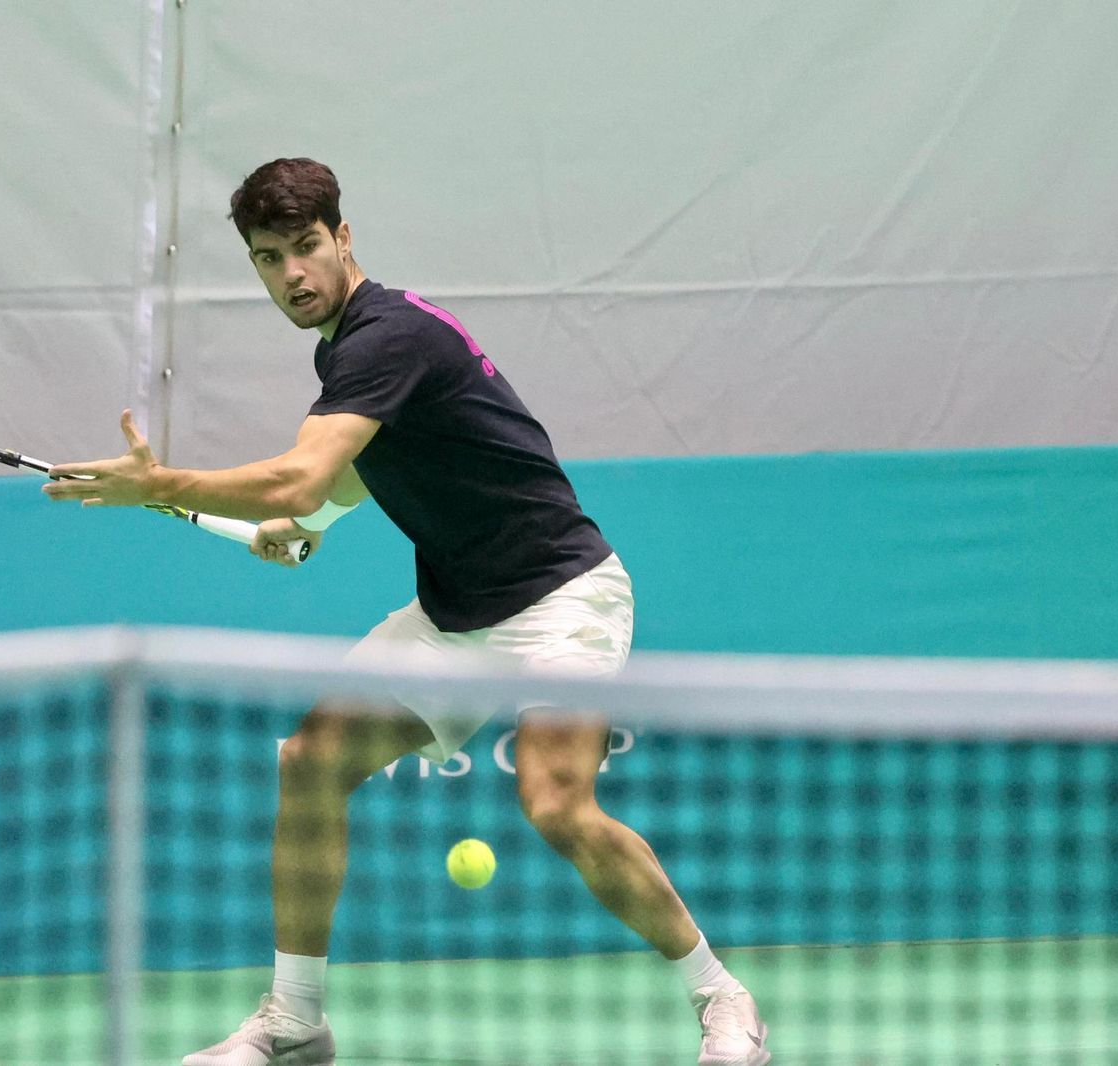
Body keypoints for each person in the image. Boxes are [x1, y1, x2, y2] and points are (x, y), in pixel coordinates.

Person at [43, 158, 770, 1066]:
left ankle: (723, 999)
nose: (291, 275)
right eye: (268, 259)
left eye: (305, 248)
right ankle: (295, 1020)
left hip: (561, 596)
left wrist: (162, 483)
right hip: (456, 613)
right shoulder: (349, 346)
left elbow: (301, 469)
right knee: (311, 760)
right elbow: (343, 475)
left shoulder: (384, 336)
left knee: (556, 804)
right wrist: (302, 527)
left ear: (343, 239)